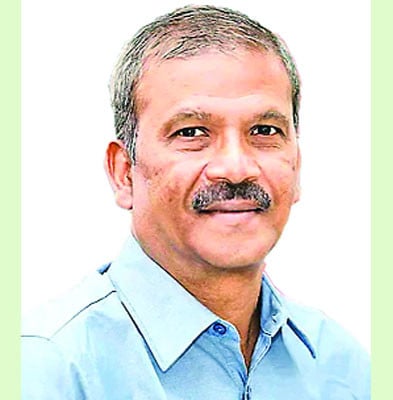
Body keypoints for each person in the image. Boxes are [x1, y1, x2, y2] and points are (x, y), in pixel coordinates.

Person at [22, 5, 370, 399]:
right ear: (124, 172)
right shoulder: (47, 370)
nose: (236, 169)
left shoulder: (340, 367)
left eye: (264, 130)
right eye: (191, 132)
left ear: (297, 166)